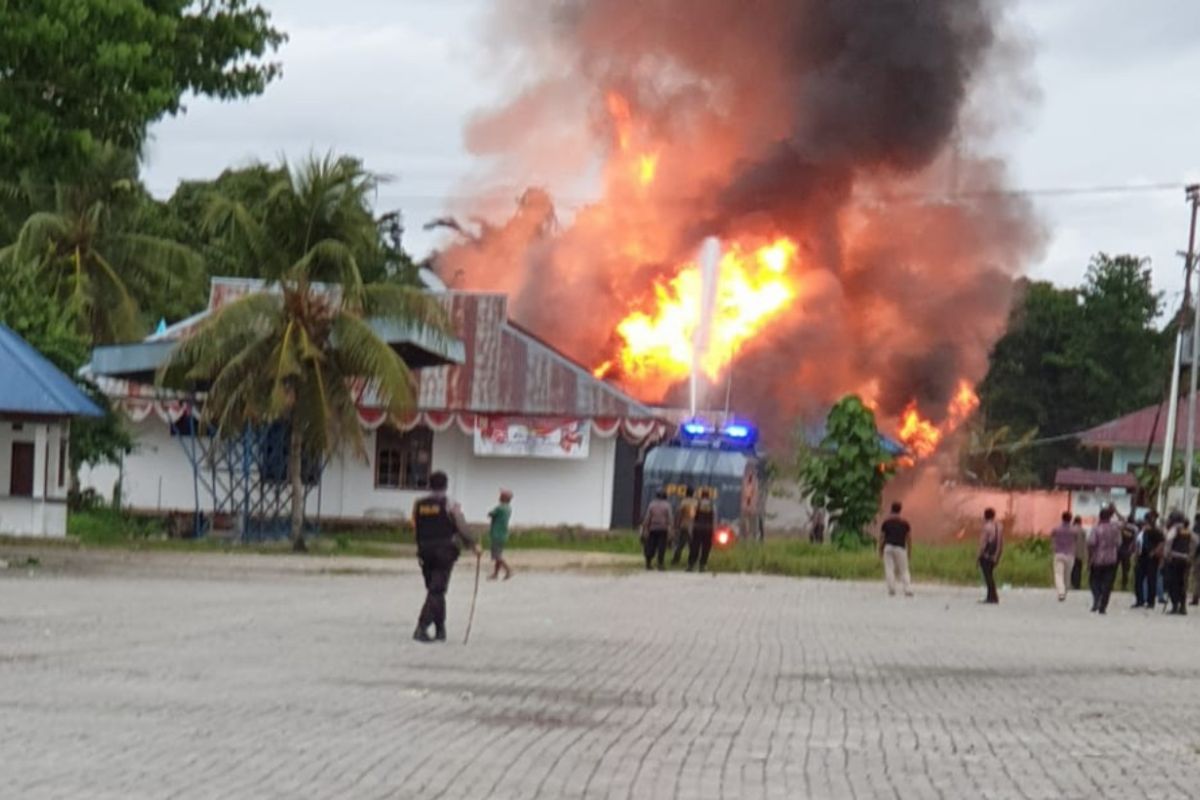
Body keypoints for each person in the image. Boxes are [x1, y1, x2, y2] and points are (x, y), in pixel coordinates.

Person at [412, 470, 479, 643]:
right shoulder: (450, 504)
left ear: (429, 485)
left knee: (435, 589)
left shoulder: (419, 504)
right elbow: (461, 525)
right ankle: (422, 627)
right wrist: (473, 544)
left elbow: (415, 526)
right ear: (446, 485)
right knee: (437, 590)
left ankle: (440, 629)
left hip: (425, 551)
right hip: (444, 550)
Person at [1087, 506, 1121, 615]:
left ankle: (1097, 598)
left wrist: (1090, 558)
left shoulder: (1096, 529)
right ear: (1110, 517)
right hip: (1111, 559)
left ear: (1100, 516)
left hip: (1098, 559)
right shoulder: (1115, 529)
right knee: (1108, 583)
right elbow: (1118, 543)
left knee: (1094, 581)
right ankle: (1103, 606)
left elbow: (1091, 544)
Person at [878, 501, 913, 597]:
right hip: (900, 548)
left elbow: (882, 537)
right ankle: (907, 589)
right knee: (904, 569)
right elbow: (909, 538)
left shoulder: (886, 522)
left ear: (891, 509)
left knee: (889, 568)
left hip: (888, 547)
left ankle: (892, 589)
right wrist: (909, 551)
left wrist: (880, 549)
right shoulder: (905, 523)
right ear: (900, 510)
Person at [1132, 510, 1165, 609]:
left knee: (1151, 580)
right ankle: (1140, 600)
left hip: (1150, 558)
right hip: (1141, 557)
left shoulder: (1155, 531)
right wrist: (1136, 553)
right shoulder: (1142, 531)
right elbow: (1138, 542)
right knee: (1138, 579)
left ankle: (1151, 601)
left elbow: (1162, 542)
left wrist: (1155, 552)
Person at [1164, 515, 1194, 615]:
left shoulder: (1175, 529)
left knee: (1173, 583)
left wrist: (1167, 555)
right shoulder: (1188, 531)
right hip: (1185, 560)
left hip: (1175, 558)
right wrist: (1190, 555)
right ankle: (1183, 607)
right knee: (1182, 583)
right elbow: (1195, 542)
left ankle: (1175, 605)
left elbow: (1168, 541)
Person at [641, 489, 673, 571]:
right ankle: (660, 564)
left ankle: (648, 563)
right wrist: (671, 528)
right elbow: (670, 518)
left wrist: (645, 527)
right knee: (661, 547)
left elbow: (648, 517)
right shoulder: (667, 505)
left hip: (652, 528)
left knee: (651, 546)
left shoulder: (652, 504)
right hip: (663, 529)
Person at [487, 489, 514, 581]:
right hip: (503, 534)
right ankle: (495, 574)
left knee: (496, 555)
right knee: (499, 554)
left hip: (497, 534)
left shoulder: (500, 508)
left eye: (501, 495)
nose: (499, 496)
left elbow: (490, 514)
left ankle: (508, 570)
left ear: (504, 498)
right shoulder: (508, 508)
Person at [978, 508, 1003, 604]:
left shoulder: (986, 527)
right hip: (995, 554)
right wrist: (998, 555)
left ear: (985, 516)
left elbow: (983, 543)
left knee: (988, 577)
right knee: (990, 575)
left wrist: (978, 556)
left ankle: (992, 597)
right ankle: (992, 596)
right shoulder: (999, 526)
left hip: (986, 555)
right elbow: (1001, 542)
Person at [1050, 511, 1076, 602]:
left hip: (1059, 553)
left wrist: (1053, 548)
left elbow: (1052, 539)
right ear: (1070, 519)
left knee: (1058, 574)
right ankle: (1065, 591)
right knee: (1067, 575)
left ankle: (1061, 592)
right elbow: (1076, 541)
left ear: (1062, 518)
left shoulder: (1056, 529)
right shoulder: (1074, 530)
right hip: (1070, 555)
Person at [688, 489, 716, 573]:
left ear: (701, 496)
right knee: (706, 547)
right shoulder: (712, 505)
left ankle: (691, 565)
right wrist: (713, 529)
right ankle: (702, 565)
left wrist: (691, 527)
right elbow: (714, 518)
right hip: (708, 529)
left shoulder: (697, 504)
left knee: (695, 546)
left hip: (697, 528)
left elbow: (692, 516)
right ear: (708, 496)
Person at [672, 486, 698, 567]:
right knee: (692, 545)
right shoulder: (696, 502)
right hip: (693, 526)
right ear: (693, 493)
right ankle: (692, 561)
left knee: (680, 544)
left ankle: (675, 560)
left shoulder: (683, 502)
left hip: (684, 525)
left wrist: (676, 525)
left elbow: (678, 514)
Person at [1117, 514, 1137, 591]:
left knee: (1114, 568)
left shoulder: (1121, 527)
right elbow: (1134, 541)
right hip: (1127, 551)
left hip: (1119, 550)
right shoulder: (1134, 529)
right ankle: (1124, 585)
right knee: (1125, 570)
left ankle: (1110, 584)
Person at [1070, 516, 1087, 590]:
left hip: (1071, 552)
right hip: (1079, 553)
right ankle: (1077, 584)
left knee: (1072, 569)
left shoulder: (1071, 530)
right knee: (1078, 569)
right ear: (1080, 522)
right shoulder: (1083, 530)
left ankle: (1072, 583)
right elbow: (1084, 543)